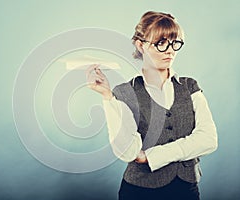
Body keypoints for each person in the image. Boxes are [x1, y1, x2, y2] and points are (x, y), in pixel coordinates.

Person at [86, 11, 218, 200]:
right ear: (141, 45)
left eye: (175, 42)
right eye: (161, 43)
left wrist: (152, 157)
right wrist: (108, 98)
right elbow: (128, 152)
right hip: (139, 191)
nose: (170, 50)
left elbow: (208, 139)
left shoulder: (190, 86)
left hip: (186, 189)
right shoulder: (124, 92)